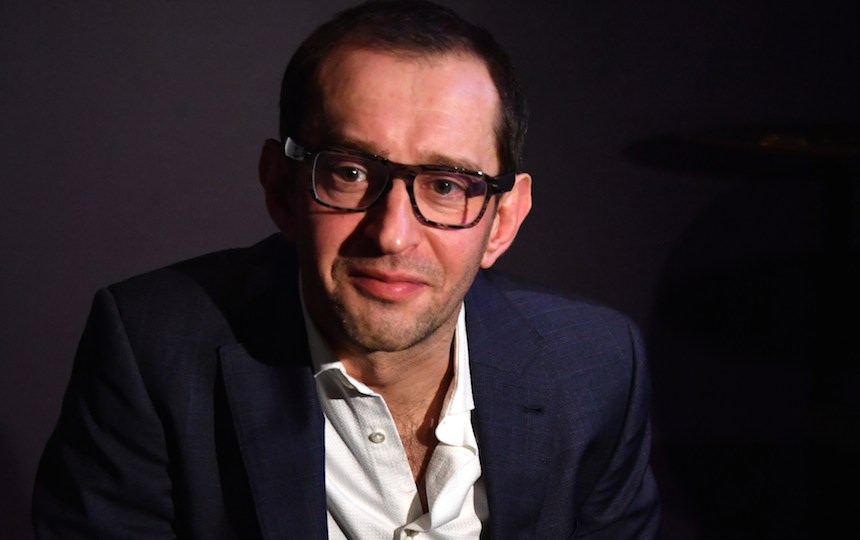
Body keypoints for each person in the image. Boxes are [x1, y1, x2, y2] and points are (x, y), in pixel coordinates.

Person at [33, 0, 660, 538]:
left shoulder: (596, 367)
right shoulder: (153, 350)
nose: (392, 233)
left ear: (504, 219)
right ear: (281, 189)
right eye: (351, 172)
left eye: (446, 185)